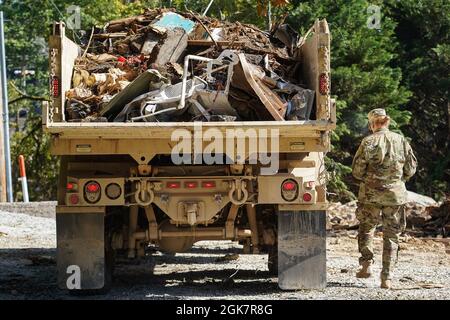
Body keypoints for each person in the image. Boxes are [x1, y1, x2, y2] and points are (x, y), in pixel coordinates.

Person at [352, 108, 417, 289]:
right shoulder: (401, 140)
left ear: (372, 124)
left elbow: (357, 172)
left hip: (370, 195)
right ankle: (386, 278)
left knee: (366, 228)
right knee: (392, 236)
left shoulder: (367, 142)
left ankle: (366, 264)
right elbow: (411, 169)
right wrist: (397, 180)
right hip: (394, 196)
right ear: (386, 122)